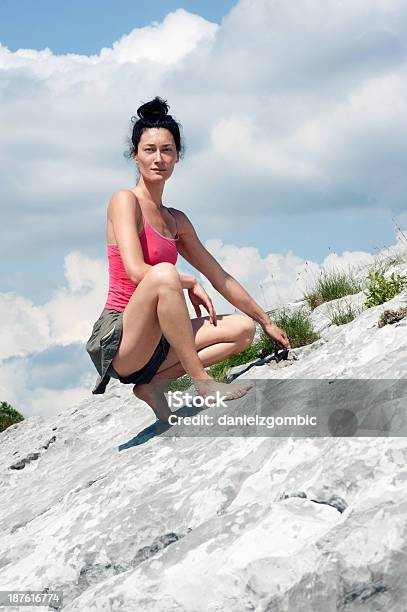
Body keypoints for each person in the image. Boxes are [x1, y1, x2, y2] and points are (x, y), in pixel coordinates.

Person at [86, 96, 291, 422]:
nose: (158, 158)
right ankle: (204, 384)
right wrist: (188, 280)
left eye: (167, 150)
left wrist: (266, 321)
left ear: (178, 156)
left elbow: (219, 275)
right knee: (164, 273)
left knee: (242, 330)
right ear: (135, 155)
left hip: (162, 340)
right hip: (122, 340)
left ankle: (153, 385)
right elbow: (138, 271)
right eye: (149, 150)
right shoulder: (124, 201)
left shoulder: (176, 221)